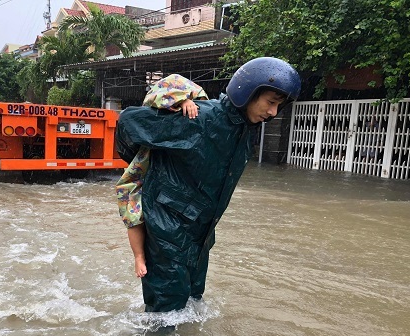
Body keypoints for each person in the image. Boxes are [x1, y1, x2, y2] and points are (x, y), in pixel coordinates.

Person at [115, 57, 302, 312]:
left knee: (193, 300)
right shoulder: (199, 117)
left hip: (201, 233)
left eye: (278, 106)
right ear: (248, 93)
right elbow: (128, 122)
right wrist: (150, 163)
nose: (273, 112)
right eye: (270, 103)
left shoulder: (245, 132)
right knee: (166, 310)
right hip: (168, 226)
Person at [116, 74, 208, 279]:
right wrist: (182, 101)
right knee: (132, 213)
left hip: (179, 187)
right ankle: (138, 256)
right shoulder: (151, 119)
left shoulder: (199, 124)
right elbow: (154, 99)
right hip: (145, 173)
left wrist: (192, 104)